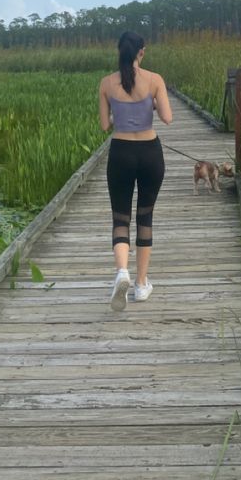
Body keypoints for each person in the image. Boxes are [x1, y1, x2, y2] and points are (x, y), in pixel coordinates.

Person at [99, 31, 172, 310]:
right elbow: (167, 118)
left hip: (120, 154)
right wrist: (151, 102)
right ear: (142, 51)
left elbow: (105, 126)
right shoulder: (155, 80)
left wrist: (121, 111)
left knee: (120, 218)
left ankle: (121, 272)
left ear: (119, 51)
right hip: (150, 153)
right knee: (145, 217)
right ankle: (141, 285)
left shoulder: (106, 83)